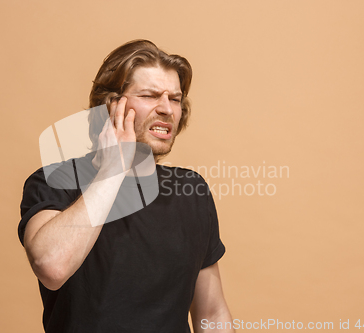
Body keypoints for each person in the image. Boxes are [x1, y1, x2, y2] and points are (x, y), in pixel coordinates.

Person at [18, 39, 234, 333]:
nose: (167, 109)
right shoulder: (56, 181)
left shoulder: (191, 190)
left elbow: (212, 313)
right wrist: (113, 168)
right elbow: (51, 267)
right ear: (110, 105)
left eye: (175, 98)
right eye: (150, 95)